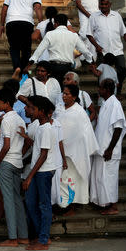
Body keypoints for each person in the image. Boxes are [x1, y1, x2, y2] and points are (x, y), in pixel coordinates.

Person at [0, 79, 30, 220]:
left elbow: (25, 128)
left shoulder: (21, 107)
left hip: (11, 151)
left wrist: (1, 160)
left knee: (12, 187)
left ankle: (12, 216)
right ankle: (2, 209)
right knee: (0, 183)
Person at [54, 84, 99, 215]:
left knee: (73, 180)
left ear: (74, 97)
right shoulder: (60, 109)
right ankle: (63, 204)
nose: (64, 96)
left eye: (67, 94)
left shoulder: (79, 112)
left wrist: (72, 145)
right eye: (63, 93)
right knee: (62, 180)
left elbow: (84, 133)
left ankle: (71, 206)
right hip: (60, 152)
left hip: (75, 153)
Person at [0, 88, 28, 247]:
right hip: (17, 162)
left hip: (7, 162)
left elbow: (6, 145)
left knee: (8, 200)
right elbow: (26, 142)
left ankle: (12, 238)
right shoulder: (20, 119)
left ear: (7, 103)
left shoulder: (6, 119)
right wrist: (18, 154)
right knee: (17, 200)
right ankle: (23, 236)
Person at [23, 96, 58, 250]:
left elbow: (43, 155)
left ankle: (43, 240)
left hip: (43, 172)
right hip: (38, 170)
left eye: (31, 107)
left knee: (44, 205)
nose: (27, 109)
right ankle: (41, 236)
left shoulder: (46, 129)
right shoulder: (40, 127)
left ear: (41, 111)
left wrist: (29, 177)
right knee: (30, 203)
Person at [90, 79, 126, 215]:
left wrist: (110, 149)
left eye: (100, 88)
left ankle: (113, 206)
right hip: (102, 150)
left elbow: (118, 128)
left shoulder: (115, 104)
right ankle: (103, 203)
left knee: (109, 179)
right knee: (101, 178)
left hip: (109, 151)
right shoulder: (106, 103)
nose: (98, 90)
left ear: (107, 90)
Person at [27, 14, 93, 84]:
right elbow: (85, 51)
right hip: (67, 68)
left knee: (54, 90)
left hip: (53, 67)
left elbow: (39, 51)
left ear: (56, 23)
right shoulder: (74, 35)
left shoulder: (50, 34)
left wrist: (31, 62)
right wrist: (91, 61)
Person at [87, 0, 126, 94]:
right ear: (99, 5)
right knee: (101, 75)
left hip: (117, 50)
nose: (103, 6)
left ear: (110, 5)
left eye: (106, 4)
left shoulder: (117, 16)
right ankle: (102, 94)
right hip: (103, 52)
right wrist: (97, 46)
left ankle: (117, 90)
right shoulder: (94, 16)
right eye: (101, 4)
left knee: (122, 70)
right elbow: (89, 34)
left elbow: (124, 32)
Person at [0, 0, 43, 72]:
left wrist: (2, 24)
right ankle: (22, 71)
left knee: (14, 48)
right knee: (26, 49)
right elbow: (37, 7)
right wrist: (41, 24)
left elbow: (5, 7)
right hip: (26, 22)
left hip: (11, 22)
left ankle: (17, 68)